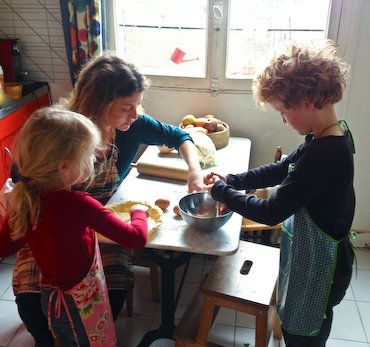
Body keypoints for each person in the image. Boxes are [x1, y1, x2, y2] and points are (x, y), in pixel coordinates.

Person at [10, 53, 205, 346]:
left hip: (101, 231)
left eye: (137, 105)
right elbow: (22, 172)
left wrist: (195, 172)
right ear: (99, 104)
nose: (135, 114)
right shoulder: (64, 129)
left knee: (102, 305)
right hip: (47, 226)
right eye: (127, 107)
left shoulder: (133, 127)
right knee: (34, 311)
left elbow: (180, 136)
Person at [205, 40, 355, 347]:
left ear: (308, 100)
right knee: (295, 328)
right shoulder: (325, 135)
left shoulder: (326, 154)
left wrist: (223, 193)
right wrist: (232, 179)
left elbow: (272, 211)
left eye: (283, 110)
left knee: (302, 336)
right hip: (309, 256)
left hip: (320, 267)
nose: (283, 119)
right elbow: (281, 168)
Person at [0, 107, 149, 346]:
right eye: (89, 154)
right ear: (64, 166)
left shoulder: (24, 200)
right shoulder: (79, 205)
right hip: (82, 301)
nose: (94, 158)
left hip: (53, 298)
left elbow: (3, 246)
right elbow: (135, 239)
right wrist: (139, 212)